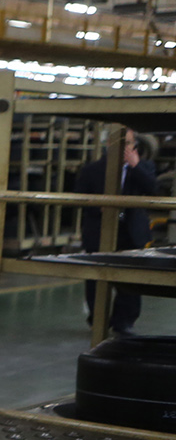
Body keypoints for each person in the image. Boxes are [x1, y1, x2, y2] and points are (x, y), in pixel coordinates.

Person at [75, 128, 158, 335]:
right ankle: (98, 319)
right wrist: (99, 208)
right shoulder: (92, 170)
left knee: (130, 278)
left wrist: (135, 166)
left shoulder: (144, 167)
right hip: (100, 229)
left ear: (134, 145)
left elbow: (153, 190)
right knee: (96, 278)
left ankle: (124, 322)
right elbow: (78, 198)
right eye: (119, 144)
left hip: (131, 231)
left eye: (128, 144)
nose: (123, 149)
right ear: (108, 145)